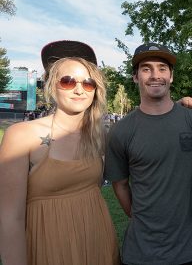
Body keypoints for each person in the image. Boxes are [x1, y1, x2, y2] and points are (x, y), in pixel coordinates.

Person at [0, 40, 120, 265]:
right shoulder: (21, 135)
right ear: (51, 84)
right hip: (49, 248)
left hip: (98, 242)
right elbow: (9, 219)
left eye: (88, 83)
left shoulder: (100, 135)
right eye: (67, 81)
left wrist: (181, 107)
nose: (78, 89)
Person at [104, 43, 192, 265]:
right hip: (142, 253)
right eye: (146, 69)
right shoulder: (121, 130)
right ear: (135, 77)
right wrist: (142, 217)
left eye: (162, 68)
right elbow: (120, 185)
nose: (155, 75)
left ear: (171, 76)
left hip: (191, 249)